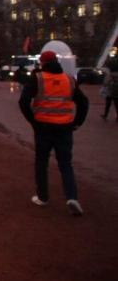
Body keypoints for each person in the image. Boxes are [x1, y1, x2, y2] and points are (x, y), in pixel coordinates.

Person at [19, 50, 89, 216]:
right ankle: (72, 197)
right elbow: (83, 102)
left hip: (43, 126)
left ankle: (43, 196)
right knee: (65, 163)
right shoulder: (69, 79)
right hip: (65, 127)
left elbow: (23, 101)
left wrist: (33, 121)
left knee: (41, 162)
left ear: (42, 63)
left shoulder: (38, 78)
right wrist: (77, 122)